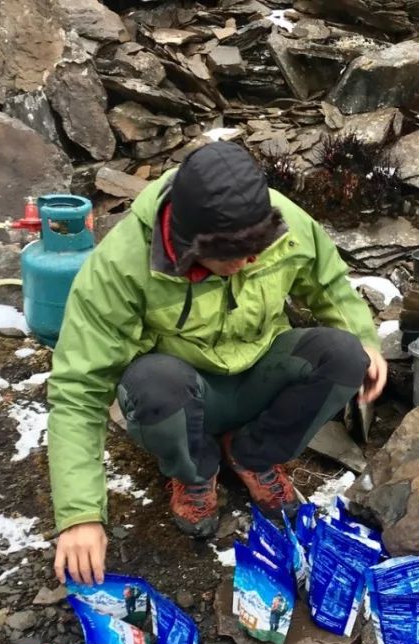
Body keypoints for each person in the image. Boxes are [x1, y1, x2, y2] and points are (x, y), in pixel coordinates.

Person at [47, 141, 387, 586]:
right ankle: (194, 473)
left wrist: (365, 340)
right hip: (184, 393)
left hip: (262, 373)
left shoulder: (279, 220)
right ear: (190, 247)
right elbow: (78, 390)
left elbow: (328, 282)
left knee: (345, 356)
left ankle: (253, 455)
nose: (254, 261)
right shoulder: (122, 266)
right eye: (237, 256)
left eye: (258, 249)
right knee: (151, 382)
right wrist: (80, 515)